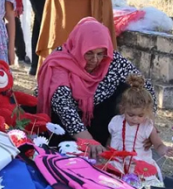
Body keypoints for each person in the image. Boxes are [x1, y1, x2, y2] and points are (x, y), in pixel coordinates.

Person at [37, 17, 157, 159]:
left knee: (129, 87)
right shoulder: (60, 63)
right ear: (78, 46)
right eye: (88, 53)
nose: (95, 60)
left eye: (100, 54)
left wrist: (147, 126)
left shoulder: (112, 60)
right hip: (65, 126)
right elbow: (64, 107)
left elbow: (144, 86)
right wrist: (88, 141)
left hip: (100, 122)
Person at [107, 74, 171, 187]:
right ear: (123, 108)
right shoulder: (116, 122)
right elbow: (112, 140)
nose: (135, 119)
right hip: (119, 164)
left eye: (140, 115)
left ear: (147, 112)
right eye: (131, 114)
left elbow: (158, 145)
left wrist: (165, 150)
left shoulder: (147, 126)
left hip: (140, 166)